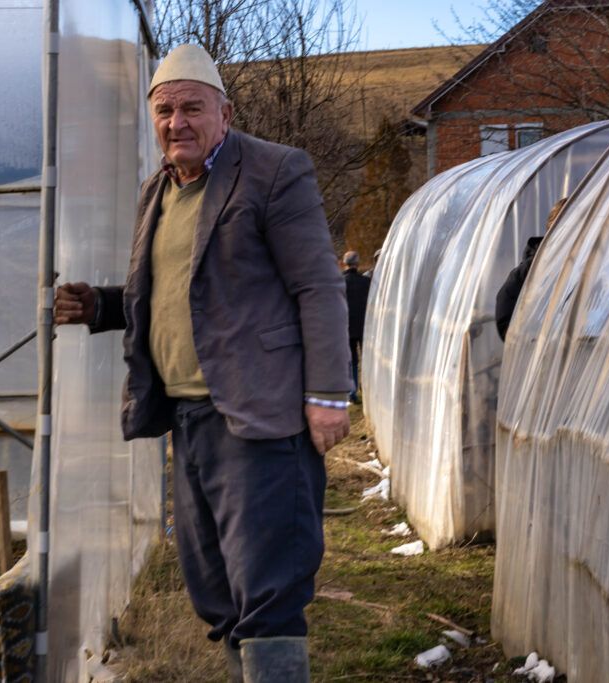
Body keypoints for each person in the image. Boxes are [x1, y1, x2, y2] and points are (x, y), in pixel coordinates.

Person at [54, 44, 351, 683]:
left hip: (259, 414)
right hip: (187, 418)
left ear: (225, 112)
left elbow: (318, 286)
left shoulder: (273, 171)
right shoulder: (156, 191)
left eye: (192, 107)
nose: (177, 122)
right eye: (164, 111)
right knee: (213, 586)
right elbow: (171, 290)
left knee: (266, 585)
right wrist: (102, 306)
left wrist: (329, 393)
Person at [495, 197, 568, 340]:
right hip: (542, 346)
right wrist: (519, 341)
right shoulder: (535, 265)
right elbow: (506, 297)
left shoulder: (581, 263)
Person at [341, 250, 371, 403]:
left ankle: (352, 392)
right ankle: (367, 388)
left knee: (351, 360)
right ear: (357, 263)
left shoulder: (339, 282)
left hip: (346, 327)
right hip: (364, 326)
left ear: (344, 263)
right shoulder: (366, 282)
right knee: (366, 358)